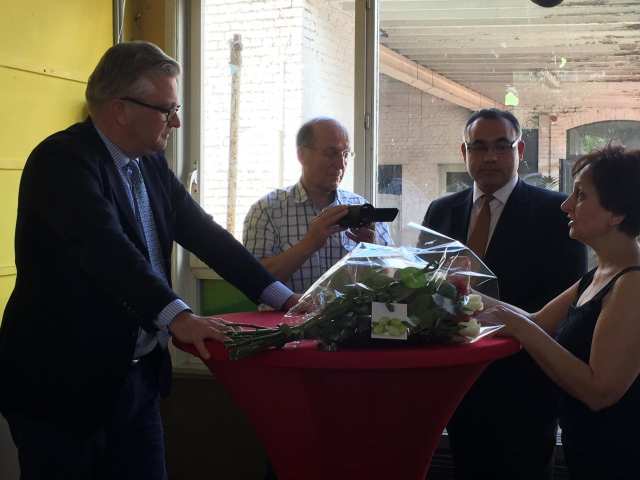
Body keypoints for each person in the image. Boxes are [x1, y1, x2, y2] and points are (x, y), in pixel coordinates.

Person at [0, 41, 297, 479]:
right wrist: (179, 317)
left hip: (136, 381)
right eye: (166, 110)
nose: (176, 122)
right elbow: (106, 250)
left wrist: (283, 298)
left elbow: (205, 234)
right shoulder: (62, 161)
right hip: (61, 386)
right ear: (120, 110)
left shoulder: (150, 164)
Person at [419, 108, 587, 480]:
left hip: (525, 387)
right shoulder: (441, 211)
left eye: (501, 146)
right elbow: (425, 292)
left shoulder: (557, 212)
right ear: (464, 153)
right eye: (479, 147)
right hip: (458, 385)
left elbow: (566, 305)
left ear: (520, 150)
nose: (490, 157)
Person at [479, 145, 640, 479]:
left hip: (620, 458)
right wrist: (459, 291)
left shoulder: (633, 284)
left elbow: (599, 391)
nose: (566, 205)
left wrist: (518, 327)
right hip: (588, 451)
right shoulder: (599, 274)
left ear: (616, 213)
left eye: (581, 195)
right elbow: (537, 322)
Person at [243, 117, 393, 293]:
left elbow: (390, 282)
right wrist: (309, 244)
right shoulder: (266, 211)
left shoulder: (364, 209)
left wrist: (371, 252)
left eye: (345, 154)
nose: (341, 164)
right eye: (331, 153)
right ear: (301, 155)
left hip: (351, 311)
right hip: (288, 311)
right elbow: (253, 280)